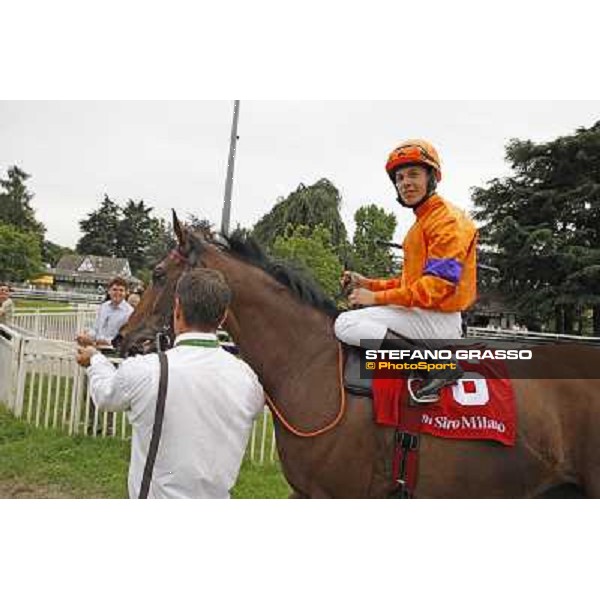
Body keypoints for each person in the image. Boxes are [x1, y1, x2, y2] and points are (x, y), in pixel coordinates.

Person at [76, 268, 265, 499]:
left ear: (177, 309)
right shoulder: (248, 380)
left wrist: (95, 360)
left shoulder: (146, 370)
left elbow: (106, 395)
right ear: (223, 316)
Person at [334, 139, 478, 400]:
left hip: (437, 319)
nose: (405, 183)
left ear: (432, 177)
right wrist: (367, 284)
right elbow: (409, 283)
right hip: (424, 313)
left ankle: (436, 367)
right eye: (399, 178)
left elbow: (435, 287)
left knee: (346, 323)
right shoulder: (422, 222)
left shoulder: (447, 220)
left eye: (413, 174)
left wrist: (375, 298)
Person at [76, 276, 133, 347]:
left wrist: (107, 342)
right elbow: (95, 328)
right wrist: (87, 336)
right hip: (96, 346)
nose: (117, 293)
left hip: (114, 349)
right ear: (109, 291)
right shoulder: (104, 307)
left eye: (121, 290)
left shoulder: (130, 312)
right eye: (114, 290)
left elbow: (126, 337)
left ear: (126, 293)